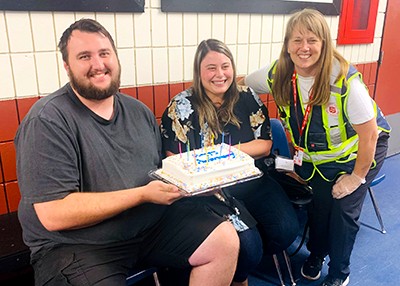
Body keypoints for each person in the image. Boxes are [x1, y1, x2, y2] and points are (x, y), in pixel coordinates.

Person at [14, 19, 240, 286]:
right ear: (67, 66)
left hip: (147, 227)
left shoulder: (138, 111)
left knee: (225, 240)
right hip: (78, 246)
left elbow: (160, 172)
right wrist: (143, 194)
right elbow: (54, 214)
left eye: (104, 53)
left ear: (116, 58)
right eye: (84, 56)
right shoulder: (47, 120)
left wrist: (194, 183)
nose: (98, 64)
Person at [244, 8, 391, 286]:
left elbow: (369, 135)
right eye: (297, 40)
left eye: (312, 40)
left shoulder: (345, 81)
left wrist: (356, 178)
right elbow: (244, 85)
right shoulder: (279, 74)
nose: (304, 47)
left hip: (363, 150)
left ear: (324, 44)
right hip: (320, 159)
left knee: (343, 208)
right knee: (320, 207)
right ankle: (317, 254)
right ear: (287, 45)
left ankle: (339, 273)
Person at [160, 38, 300, 286]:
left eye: (225, 66)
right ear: (199, 71)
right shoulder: (180, 105)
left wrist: (224, 153)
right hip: (209, 192)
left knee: (285, 230)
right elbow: (175, 159)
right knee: (248, 247)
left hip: (250, 181)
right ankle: (238, 266)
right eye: (211, 67)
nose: (219, 74)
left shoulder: (248, 98)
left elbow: (264, 144)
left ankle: (238, 260)